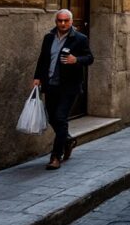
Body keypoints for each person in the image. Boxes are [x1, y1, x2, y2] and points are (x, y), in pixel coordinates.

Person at [32, 9, 94, 170]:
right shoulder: (49, 38)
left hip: (69, 87)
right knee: (52, 117)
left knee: (60, 118)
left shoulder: (80, 39)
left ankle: (55, 156)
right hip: (51, 85)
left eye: (66, 20)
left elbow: (90, 58)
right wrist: (37, 77)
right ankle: (67, 140)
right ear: (56, 22)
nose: (63, 23)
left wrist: (76, 60)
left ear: (71, 22)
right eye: (60, 20)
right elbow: (43, 59)